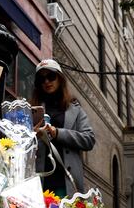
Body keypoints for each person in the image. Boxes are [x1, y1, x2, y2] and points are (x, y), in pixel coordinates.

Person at [30, 59, 95, 198]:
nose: (47, 81)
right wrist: (32, 134)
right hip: (39, 182)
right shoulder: (32, 110)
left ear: (60, 78)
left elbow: (89, 139)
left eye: (51, 76)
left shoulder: (75, 109)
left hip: (65, 182)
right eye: (42, 79)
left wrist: (58, 133)